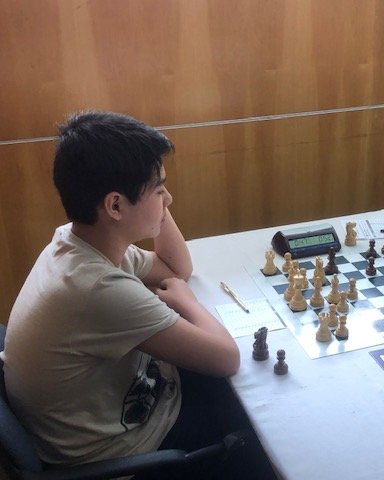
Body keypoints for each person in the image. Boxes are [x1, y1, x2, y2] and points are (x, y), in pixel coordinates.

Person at [0, 112, 276, 479]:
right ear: (115, 206)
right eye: (160, 190)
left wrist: (157, 202)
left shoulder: (81, 240)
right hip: (123, 454)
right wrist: (187, 303)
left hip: (127, 408)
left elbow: (175, 268)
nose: (169, 198)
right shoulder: (97, 288)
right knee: (267, 429)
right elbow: (227, 358)